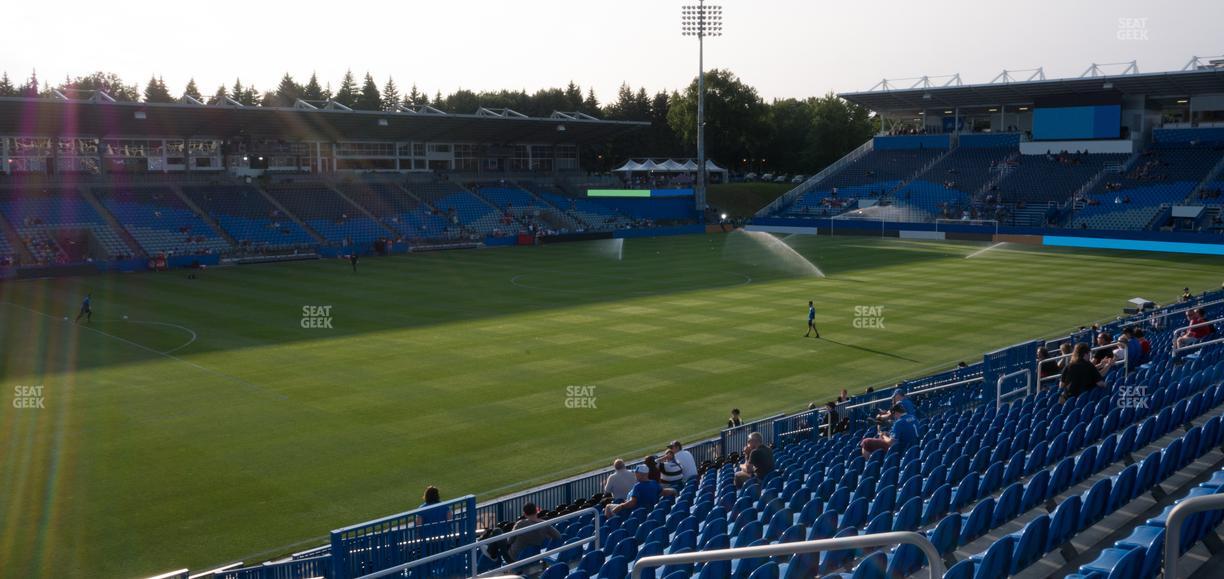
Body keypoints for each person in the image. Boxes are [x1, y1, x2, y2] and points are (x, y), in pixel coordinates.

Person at [604, 465, 673, 517]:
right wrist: (674, 490)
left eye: (636, 473)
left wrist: (621, 506)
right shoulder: (654, 483)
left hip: (635, 512)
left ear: (641, 474)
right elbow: (664, 492)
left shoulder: (638, 487)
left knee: (608, 506)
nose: (635, 474)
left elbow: (632, 503)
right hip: (649, 510)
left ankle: (609, 525)